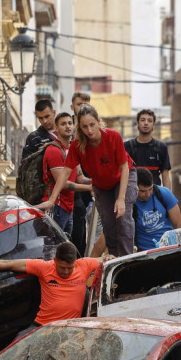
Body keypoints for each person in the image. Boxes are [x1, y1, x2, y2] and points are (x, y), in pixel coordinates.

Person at [0, 241, 112, 340]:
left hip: (69, 330)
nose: (66, 272)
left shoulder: (83, 265)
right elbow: (8, 264)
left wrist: (109, 258)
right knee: (15, 349)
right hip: (42, 326)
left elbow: (108, 260)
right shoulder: (44, 267)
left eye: (70, 268)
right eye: (62, 268)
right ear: (55, 261)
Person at [58, 104, 138, 257]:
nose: (89, 130)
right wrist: (52, 199)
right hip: (102, 185)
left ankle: (127, 257)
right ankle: (116, 258)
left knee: (122, 216)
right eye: (84, 126)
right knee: (108, 224)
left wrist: (120, 198)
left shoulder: (112, 136)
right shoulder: (77, 144)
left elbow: (124, 168)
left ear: (98, 121)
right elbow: (65, 173)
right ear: (79, 128)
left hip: (123, 177)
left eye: (92, 125)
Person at [33, 112, 91, 237]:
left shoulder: (72, 150)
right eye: (63, 124)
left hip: (68, 208)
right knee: (52, 247)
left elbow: (80, 178)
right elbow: (63, 183)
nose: (68, 126)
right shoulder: (53, 150)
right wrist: (90, 188)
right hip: (55, 207)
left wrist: (96, 182)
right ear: (56, 128)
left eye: (70, 123)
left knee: (64, 248)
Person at [133, 168, 181, 250]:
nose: (148, 194)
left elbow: (178, 225)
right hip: (145, 252)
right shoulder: (130, 204)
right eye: (143, 191)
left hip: (169, 248)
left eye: (150, 189)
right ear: (134, 188)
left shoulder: (164, 193)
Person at [70, 92, 93, 255]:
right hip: (71, 194)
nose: (83, 107)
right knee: (74, 237)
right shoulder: (66, 127)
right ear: (72, 107)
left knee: (88, 238)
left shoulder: (93, 130)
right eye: (79, 104)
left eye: (86, 104)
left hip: (90, 191)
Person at [125, 109, 171, 187]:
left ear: (153, 125)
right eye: (143, 120)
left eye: (149, 121)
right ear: (137, 123)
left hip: (154, 193)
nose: (146, 123)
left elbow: (165, 175)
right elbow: (122, 173)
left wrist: (168, 197)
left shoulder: (161, 147)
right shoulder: (126, 146)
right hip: (132, 194)